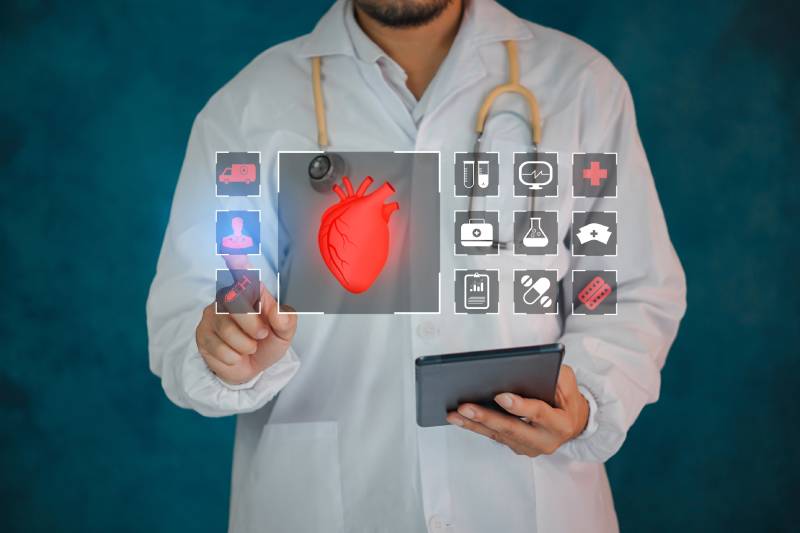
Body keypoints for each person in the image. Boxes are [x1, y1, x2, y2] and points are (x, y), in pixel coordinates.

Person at [146, 1, 686, 531]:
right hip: (321, 507)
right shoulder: (249, 107)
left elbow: (630, 292)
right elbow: (188, 310)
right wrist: (223, 348)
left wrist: (585, 399)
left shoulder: (580, 84)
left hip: (528, 505)